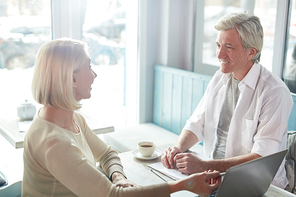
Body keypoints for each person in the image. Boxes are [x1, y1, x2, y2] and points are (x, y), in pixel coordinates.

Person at [22, 38, 221, 197]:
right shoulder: (55, 144)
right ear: (72, 79)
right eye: (89, 67)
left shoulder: (72, 120)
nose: (94, 75)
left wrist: (118, 176)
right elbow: (113, 196)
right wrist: (185, 185)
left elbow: (108, 154)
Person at [161, 12, 293, 189]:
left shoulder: (274, 92)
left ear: (251, 52)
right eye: (218, 45)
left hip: (258, 185)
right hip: (213, 177)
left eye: (229, 47)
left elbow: (262, 158)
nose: (219, 54)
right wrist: (178, 148)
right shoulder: (219, 78)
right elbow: (196, 124)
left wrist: (204, 166)